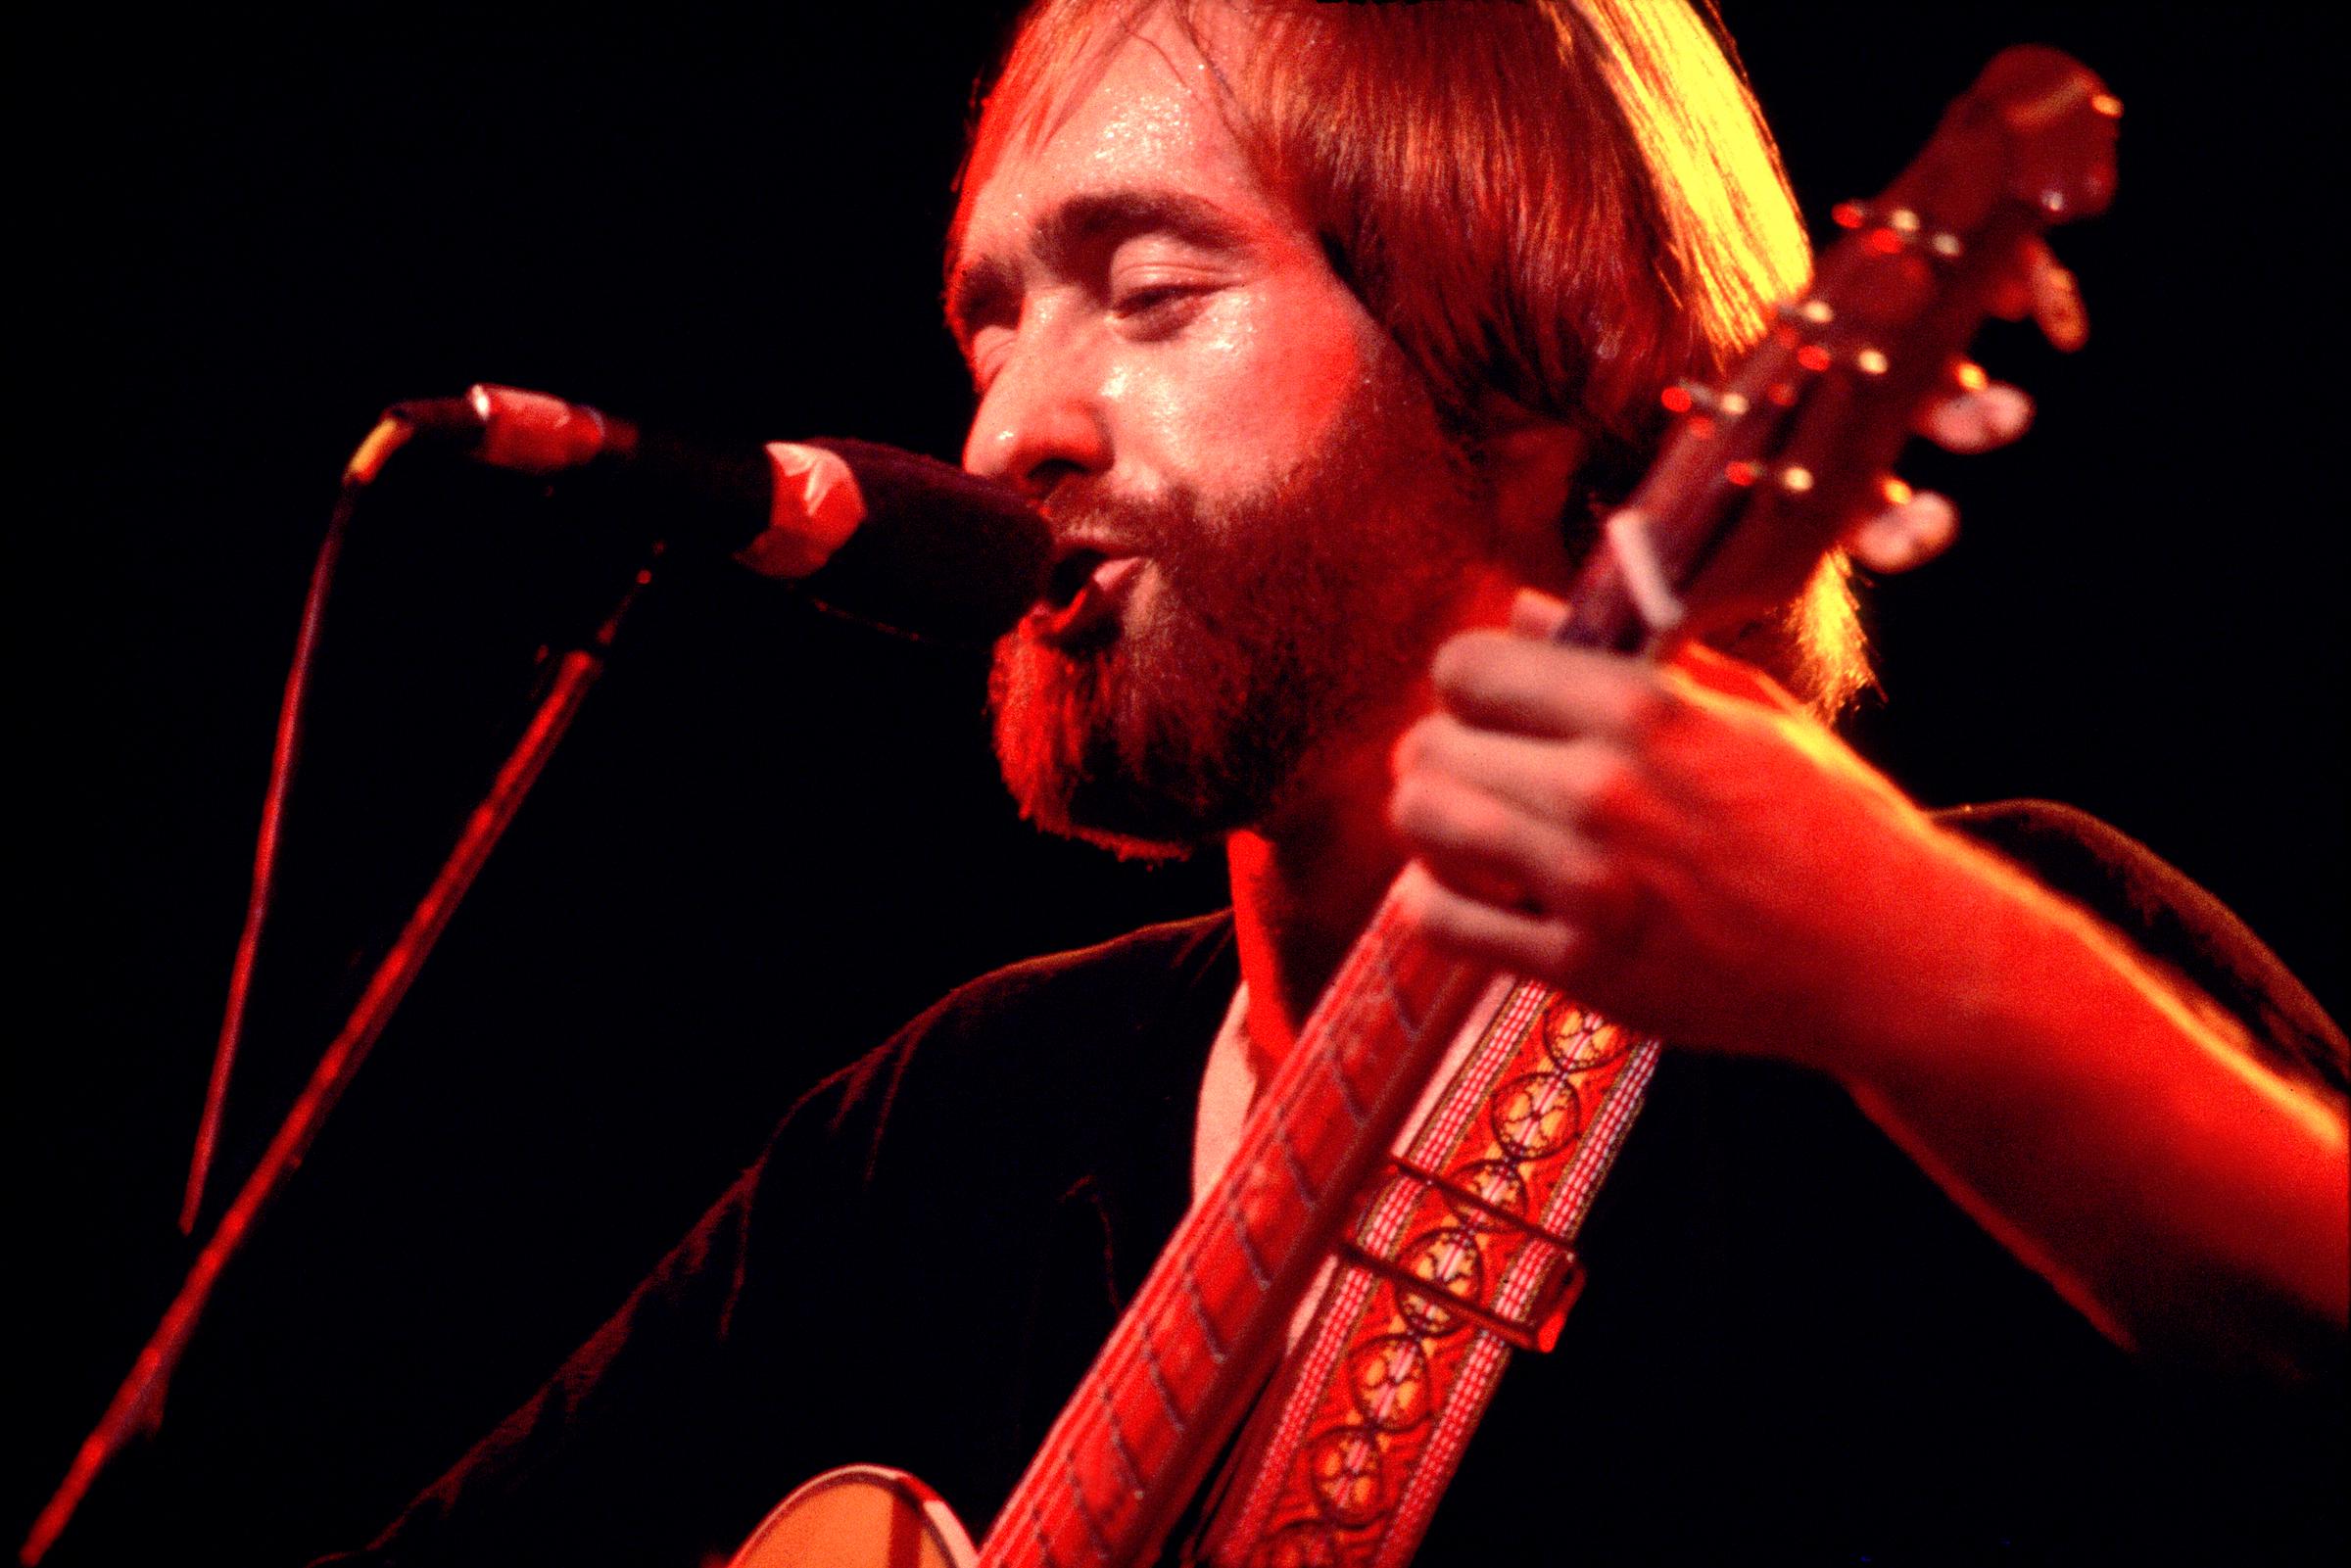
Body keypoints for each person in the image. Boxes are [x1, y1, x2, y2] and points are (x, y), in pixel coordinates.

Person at [325, 2, 2347, 1561]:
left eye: (1152, 293)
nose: (1018, 417)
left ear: (1553, 357)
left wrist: (1913, 967)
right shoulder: (944, 1145)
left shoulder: (1932, 998)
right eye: (994, 316)